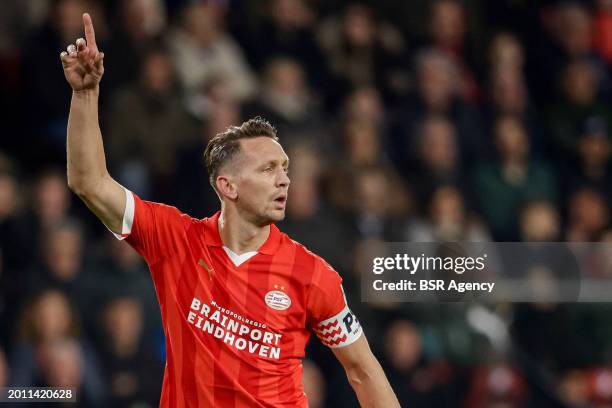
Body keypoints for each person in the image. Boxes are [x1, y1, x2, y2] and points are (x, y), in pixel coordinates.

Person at [59, 13, 399, 407]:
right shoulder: (175, 239)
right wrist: (85, 96)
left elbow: (363, 370)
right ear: (228, 185)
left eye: (285, 170)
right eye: (268, 169)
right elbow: (89, 182)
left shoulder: (313, 275)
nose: (284, 180)